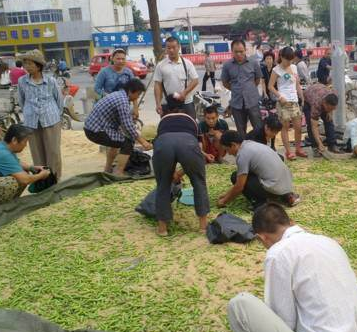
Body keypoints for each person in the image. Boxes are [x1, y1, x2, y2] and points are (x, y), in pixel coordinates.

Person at [227, 203, 357, 332]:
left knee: (239, 304)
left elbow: (284, 320)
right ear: (291, 222)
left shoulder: (278, 253)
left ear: (262, 238)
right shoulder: (329, 242)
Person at [153, 95, 209, 236]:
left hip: (164, 144)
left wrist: (171, 172)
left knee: (163, 185)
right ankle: (203, 226)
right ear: (184, 106)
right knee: (198, 182)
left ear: (167, 109)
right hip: (189, 143)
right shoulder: (192, 119)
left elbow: (163, 145)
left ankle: (162, 229)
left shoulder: (163, 121)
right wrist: (185, 171)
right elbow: (198, 148)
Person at [84, 79, 153, 175]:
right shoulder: (122, 101)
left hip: (95, 127)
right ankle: (119, 172)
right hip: (96, 130)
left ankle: (107, 169)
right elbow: (128, 127)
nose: (138, 97)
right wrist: (143, 142)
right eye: (138, 94)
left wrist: (131, 113)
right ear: (130, 91)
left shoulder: (120, 95)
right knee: (128, 142)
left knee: (116, 142)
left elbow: (123, 120)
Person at [218, 131, 300, 209]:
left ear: (233, 145)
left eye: (227, 150)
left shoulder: (242, 155)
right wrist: (226, 194)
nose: (228, 153)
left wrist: (224, 201)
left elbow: (239, 186)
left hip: (274, 187)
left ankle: (260, 203)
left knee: (235, 176)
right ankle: (286, 195)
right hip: (287, 184)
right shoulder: (250, 143)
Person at [17, 50, 63, 179]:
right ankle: (41, 180)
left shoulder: (50, 81)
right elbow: (21, 100)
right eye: (25, 63)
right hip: (31, 121)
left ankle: (54, 179)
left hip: (51, 120)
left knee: (53, 152)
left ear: (38, 65)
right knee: (37, 152)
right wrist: (29, 112)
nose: (26, 66)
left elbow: (59, 100)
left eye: (29, 63)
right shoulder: (22, 81)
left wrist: (56, 116)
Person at [0, 124, 51, 208]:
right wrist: (41, 175)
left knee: (23, 172)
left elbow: (15, 163)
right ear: (14, 140)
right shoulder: (3, 154)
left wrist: (32, 168)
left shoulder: (1, 145)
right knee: (12, 182)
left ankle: (9, 205)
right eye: (25, 142)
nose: (25, 145)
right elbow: (25, 180)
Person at [268, 47, 307, 161]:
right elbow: (270, 86)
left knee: (298, 127)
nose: (289, 62)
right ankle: (288, 151)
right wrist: (280, 96)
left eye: (291, 60)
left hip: (294, 101)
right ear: (281, 57)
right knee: (284, 127)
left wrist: (301, 96)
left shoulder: (294, 67)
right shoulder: (276, 70)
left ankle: (298, 149)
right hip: (283, 102)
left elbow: (297, 84)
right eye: (287, 60)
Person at [221, 39, 263, 136]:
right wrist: (236, 89)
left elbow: (257, 80)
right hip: (237, 103)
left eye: (241, 51)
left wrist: (249, 88)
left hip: (252, 101)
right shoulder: (227, 65)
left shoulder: (253, 63)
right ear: (232, 51)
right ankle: (244, 149)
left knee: (258, 128)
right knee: (241, 131)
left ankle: (259, 148)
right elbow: (225, 82)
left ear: (245, 50)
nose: (239, 54)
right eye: (236, 52)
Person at [153, 37, 199, 119]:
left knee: (190, 127)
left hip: (186, 103)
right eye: (168, 48)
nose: (171, 50)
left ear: (179, 47)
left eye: (174, 47)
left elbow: (195, 80)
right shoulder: (160, 65)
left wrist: (184, 93)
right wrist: (158, 103)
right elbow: (157, 85)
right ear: (166, 49)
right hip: (167, 104)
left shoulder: (187, 63)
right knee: (168, 129)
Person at [302, 83, 342, 156]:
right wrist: (320, 143)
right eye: (329, 108)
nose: (331, 110)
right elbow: (314, 126)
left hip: (320, 90)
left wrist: (330, 112)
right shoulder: (316, 104)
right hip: (308, 99)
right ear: (324, 103)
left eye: (333, 108)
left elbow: (331, 107)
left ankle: (332, 144)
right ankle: (316, 147)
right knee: (310, 125)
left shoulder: (334, 95)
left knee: (329, 121)